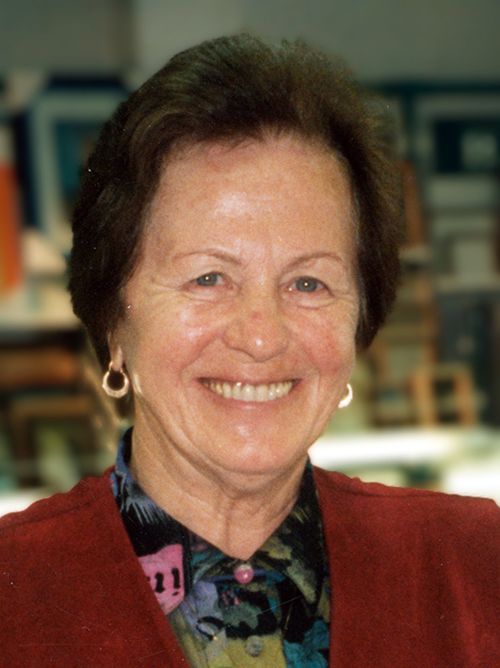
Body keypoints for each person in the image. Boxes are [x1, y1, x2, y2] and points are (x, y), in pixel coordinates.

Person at [0, 34, 498, 667]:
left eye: (308, 283)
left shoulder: (477, 564)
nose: (261, 336)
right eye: (208, 278)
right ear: (115, 320)